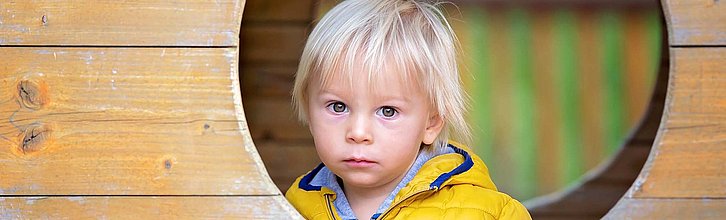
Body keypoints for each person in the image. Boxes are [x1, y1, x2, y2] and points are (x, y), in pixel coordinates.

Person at [285, 0, 531, 219]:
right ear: (309, 108)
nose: (358, 132)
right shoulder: (291, 207)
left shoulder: (485, 213)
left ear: (431, 123)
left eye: (388, 111)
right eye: (338, 106)